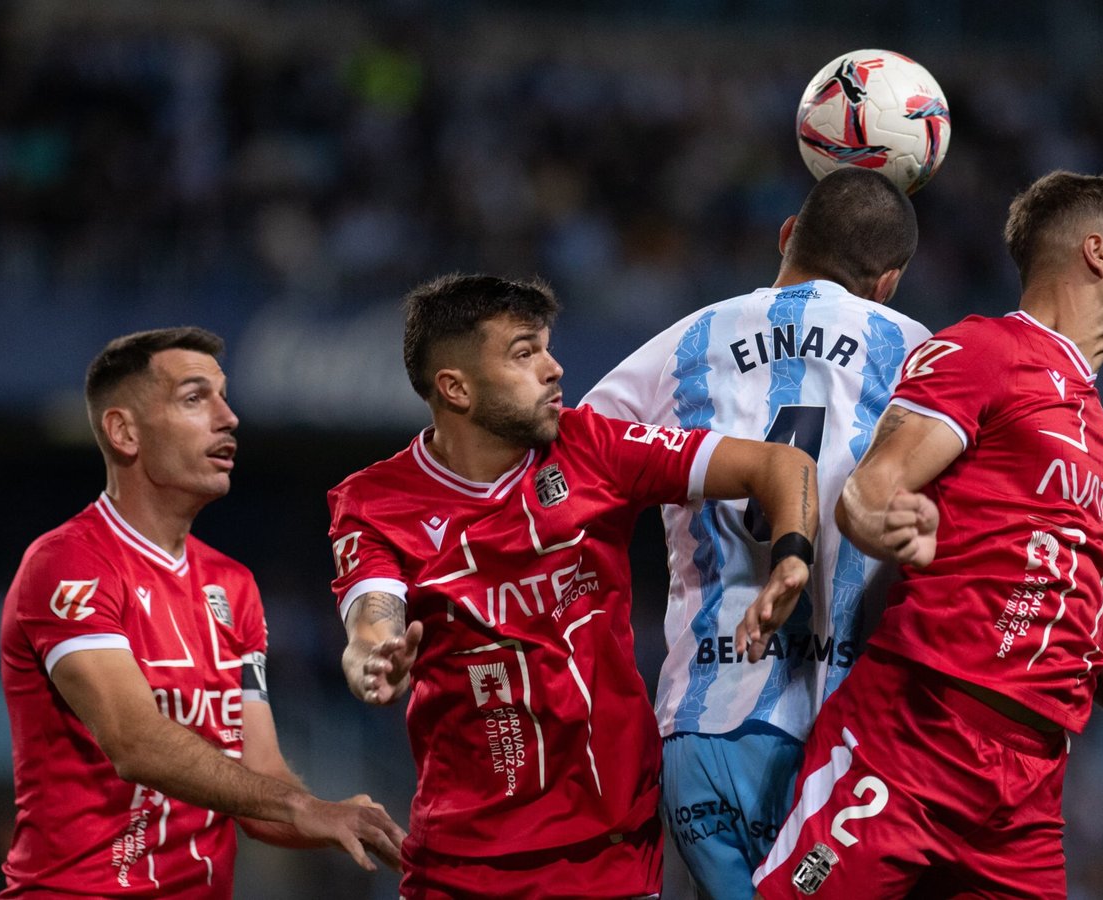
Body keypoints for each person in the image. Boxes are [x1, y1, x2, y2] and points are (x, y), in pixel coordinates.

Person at [751, 172, 1103, 899]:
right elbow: (869, 488)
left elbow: (1085, 618)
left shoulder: (1102, 441)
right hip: (915, 741)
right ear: (1097, 253)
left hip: (1025, 796)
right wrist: (888, 523)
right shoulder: (986, 351)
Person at [328, 274, 820, 898]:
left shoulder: (593, 448)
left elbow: (781, 463)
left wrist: (793, 555)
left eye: (547, 347)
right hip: (463, 861)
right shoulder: (374, 501)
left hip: (611, 853)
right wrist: (374, 655)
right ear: (455, 388)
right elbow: (372, 613)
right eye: (524, 352)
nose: (554, 369)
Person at [580, 167, 930, 898]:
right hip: (848, 740)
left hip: (705, 723)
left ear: (785, 238)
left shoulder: (685, 342)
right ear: (889, 281)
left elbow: (576, 467)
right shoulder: (917, 353)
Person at [0, 327, 404, 898]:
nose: (228, 417)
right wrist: (297, 805)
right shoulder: (68, 563)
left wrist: (337, 819)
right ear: (123, 431)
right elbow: (133, 741)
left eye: (223, 395)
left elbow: (260, 791)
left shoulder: (232, 585)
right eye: (195, 398)